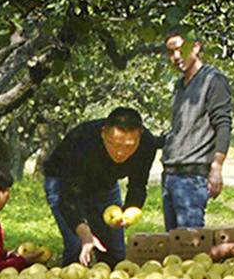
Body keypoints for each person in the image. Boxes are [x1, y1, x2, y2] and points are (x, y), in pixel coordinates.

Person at [40, 106, 161, 263]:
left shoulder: (147, 144)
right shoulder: (83, 141)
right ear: (103, 133)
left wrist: (129, 210)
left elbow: (138, 184)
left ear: (140, 136)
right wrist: (85, 234)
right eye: (115, 144)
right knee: (77, 244)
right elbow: (67, 197)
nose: (121, 153)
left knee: (115, 251)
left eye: (129, 146)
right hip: (63, 181)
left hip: (105, 185)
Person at [161, 33, 233, 233]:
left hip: (192, 177)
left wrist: (217, 166)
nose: (176, 56)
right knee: (173, 246)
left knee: (189, 247)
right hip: (170, 174)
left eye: (180, 49)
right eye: (170, 52)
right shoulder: (180, 85)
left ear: (196, 47)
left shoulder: (212, 80)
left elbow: (223, 124)